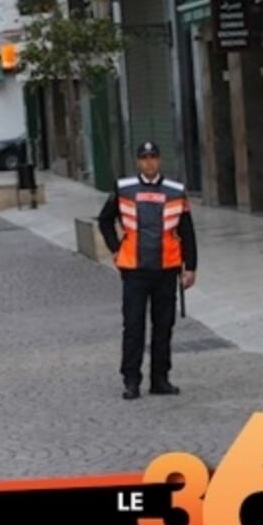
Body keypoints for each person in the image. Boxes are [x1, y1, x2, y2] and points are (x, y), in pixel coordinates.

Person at [97, 141, 198, 400]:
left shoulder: (176, 191)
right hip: (134, 270)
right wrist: (116, 249)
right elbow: (105, 220)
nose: (149, 162)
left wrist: (191, 267)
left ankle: (160, 379)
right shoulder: (124, 189)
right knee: (133, 327)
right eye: (144, 158)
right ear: (138, 162)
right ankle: (131, 380)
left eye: (153, 157)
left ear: (160, 160)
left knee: (163, 327)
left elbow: (187, 231)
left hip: (167, 269)